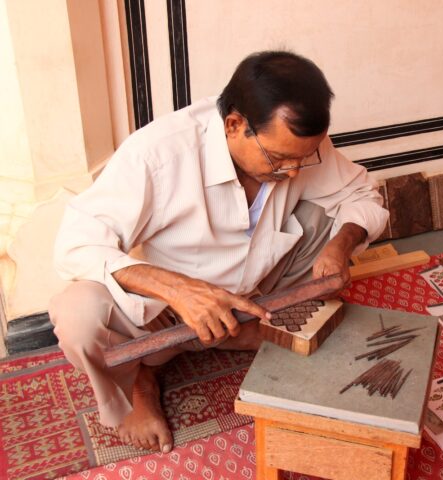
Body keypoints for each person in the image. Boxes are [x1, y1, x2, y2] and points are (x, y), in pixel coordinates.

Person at [49, 51, 388, 454]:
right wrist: (178, 289)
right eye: (279, 158)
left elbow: (363, 195)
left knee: (330, 217)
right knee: (79, 314)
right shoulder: (159, 153)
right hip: (167, 314)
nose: (294, 171)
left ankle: (243, 328)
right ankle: (140, 379)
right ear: (234, 125)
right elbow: (77, 243)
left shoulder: (296, 143)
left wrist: (340, 245)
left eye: (302, 158)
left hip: (258, 292)